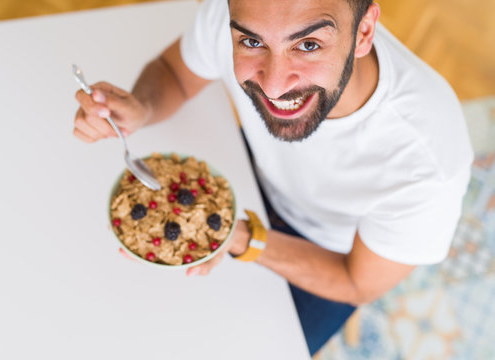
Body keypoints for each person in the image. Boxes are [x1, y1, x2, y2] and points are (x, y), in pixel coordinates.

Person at [73, 0, 473, 355]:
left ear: (364, 31)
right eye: (251, 43)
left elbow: (357, 282)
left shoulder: (428, 158)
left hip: (333, 252)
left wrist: (236, 236)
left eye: (309, 45)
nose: (274, 85)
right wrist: (140, 107)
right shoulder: (232, 13)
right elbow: (174, 74)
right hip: (258, 177)